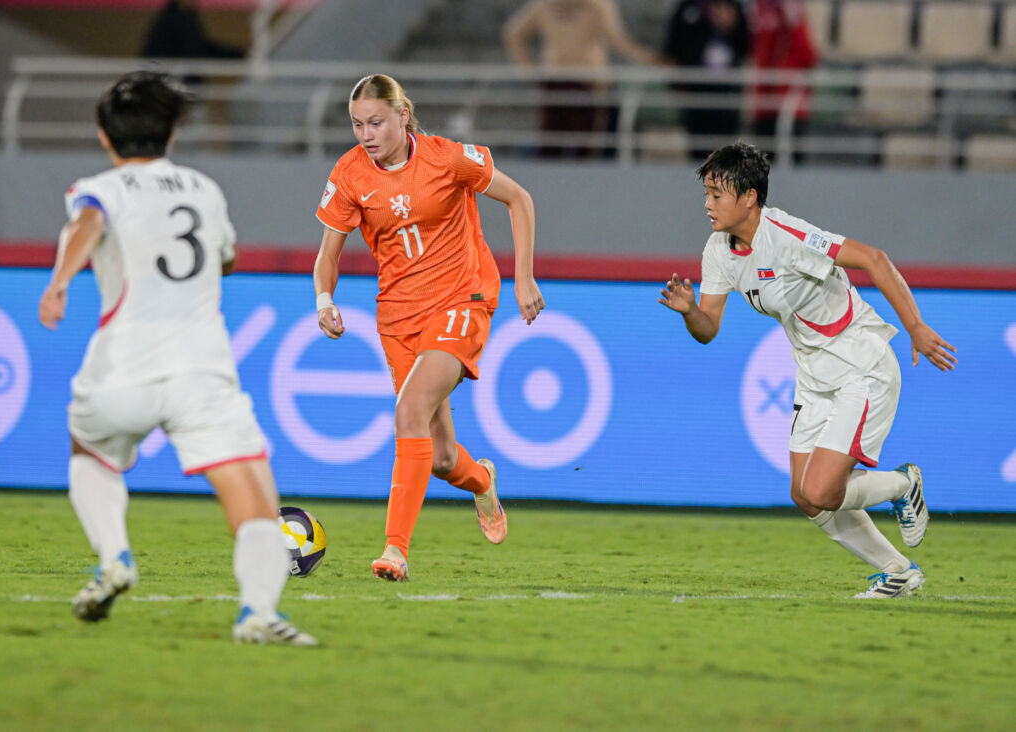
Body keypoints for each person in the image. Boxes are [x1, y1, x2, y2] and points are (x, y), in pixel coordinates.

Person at [38, 71, 315, 645]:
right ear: (171, 132)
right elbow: (227, 259)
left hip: (121, 366)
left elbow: (87, 223)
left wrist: (61, 281)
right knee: (255, 497)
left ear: (104, 136)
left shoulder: (101, 189)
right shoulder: (203, 190)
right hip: (201, 369)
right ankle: (259, 614)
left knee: (87, 447)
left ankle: (115, 556)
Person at [659, 143, 956, 598]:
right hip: (815, 378)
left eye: (717, 194)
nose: (707, 204)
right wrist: (687, 311)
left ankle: (903, 483)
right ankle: (898, 571)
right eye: (706, 193)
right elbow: (709, 328)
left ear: (749, 197)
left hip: (862, 365)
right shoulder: (718, 250)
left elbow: (873, 258)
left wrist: (914, 325)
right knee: (804, 495)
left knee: (821, 490)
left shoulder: (789, 236)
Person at [313, 74, 545, 581]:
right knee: (440, 458)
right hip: (398, 317)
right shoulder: (350, 174)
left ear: (403, 116)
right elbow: (328, 253)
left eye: (375, 122)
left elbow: (519, 199)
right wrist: (324, 298)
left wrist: (524, 277)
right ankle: (482, 480)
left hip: (463, 298)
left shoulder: (447, 157)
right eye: (357, 125)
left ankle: (395, 550)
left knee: (408, 410)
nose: (366, 134)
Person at [503, 0, 658, 158]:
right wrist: (651, 59)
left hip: (562, 79)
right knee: (576, 147)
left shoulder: (548, 4)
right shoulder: (596, 4)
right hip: (583, 79)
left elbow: (513, 32)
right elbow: (618, 41)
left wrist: (528, 70)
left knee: (554, 146)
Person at [662, 0, 750, 160]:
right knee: (698, 154)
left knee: (725, 156)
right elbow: (672, 50)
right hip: (696, 96)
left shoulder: (732, 6)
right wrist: (676, 85)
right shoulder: (687, 7)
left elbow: (746, 46)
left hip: (726, 97)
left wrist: (728, 26)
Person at [750, 0, 820, 162]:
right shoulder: (761, 10)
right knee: (763, 164)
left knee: (790, 160)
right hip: (764, 102)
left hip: (788, 103)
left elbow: (807, 55)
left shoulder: (791, 11)